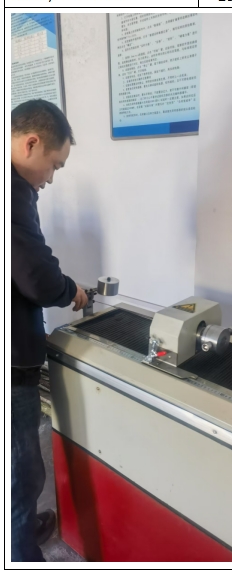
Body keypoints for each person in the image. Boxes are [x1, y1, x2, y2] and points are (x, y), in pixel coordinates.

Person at [11, 99, 88, 562]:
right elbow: (37, 277)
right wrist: (69, 289)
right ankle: (21, 552)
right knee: (21, 471)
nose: (52, 178)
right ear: (31, 143)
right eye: (54, 165)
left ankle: (18, 528)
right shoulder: (12, 192)